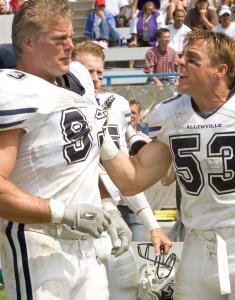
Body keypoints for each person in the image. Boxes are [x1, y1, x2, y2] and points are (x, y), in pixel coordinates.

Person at [100, 29, 235, 299]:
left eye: (192, 59)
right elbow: (132, 178)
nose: (180, 62)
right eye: (182, 56)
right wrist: (102, 138)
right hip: (195, 246)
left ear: (220, 70)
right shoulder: (171, 115)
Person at [0, 0, 123, 299]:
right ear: (28, 43)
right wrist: (64, 213)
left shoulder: (76, 82)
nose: (70, 46)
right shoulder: (14, 90)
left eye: (71, 38)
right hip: (39, 242)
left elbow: (80, 160)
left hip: (86, 247)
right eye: (59, 40)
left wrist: (108, 206)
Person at [70, 40, 172, 300]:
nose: (94, 79)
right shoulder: (62, 109)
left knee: (127, 288)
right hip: (75, 222)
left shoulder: (114, 104)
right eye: (87, 71)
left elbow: (126, 159)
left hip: (111, 218)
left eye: (99, 73)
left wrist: (152, 225)